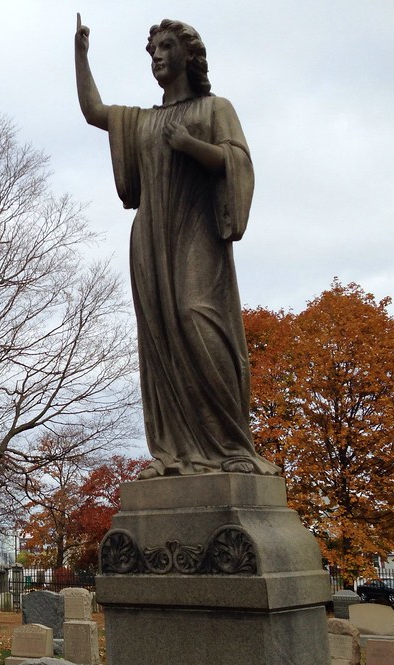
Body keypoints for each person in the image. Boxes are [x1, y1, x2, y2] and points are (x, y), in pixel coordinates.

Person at [75, 15, 278, 478]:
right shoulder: (140, 121)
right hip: (150, 237)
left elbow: (238, 162)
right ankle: (173, 453)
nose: (157, 57)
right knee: (161, 334)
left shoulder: (214, 109)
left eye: (165, 48)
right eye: (151, 52)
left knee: (194, 316)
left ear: (188, 54)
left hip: (196, 230)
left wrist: (190, 145)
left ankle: (231, 445)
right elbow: (93, 111)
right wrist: (81, 55)